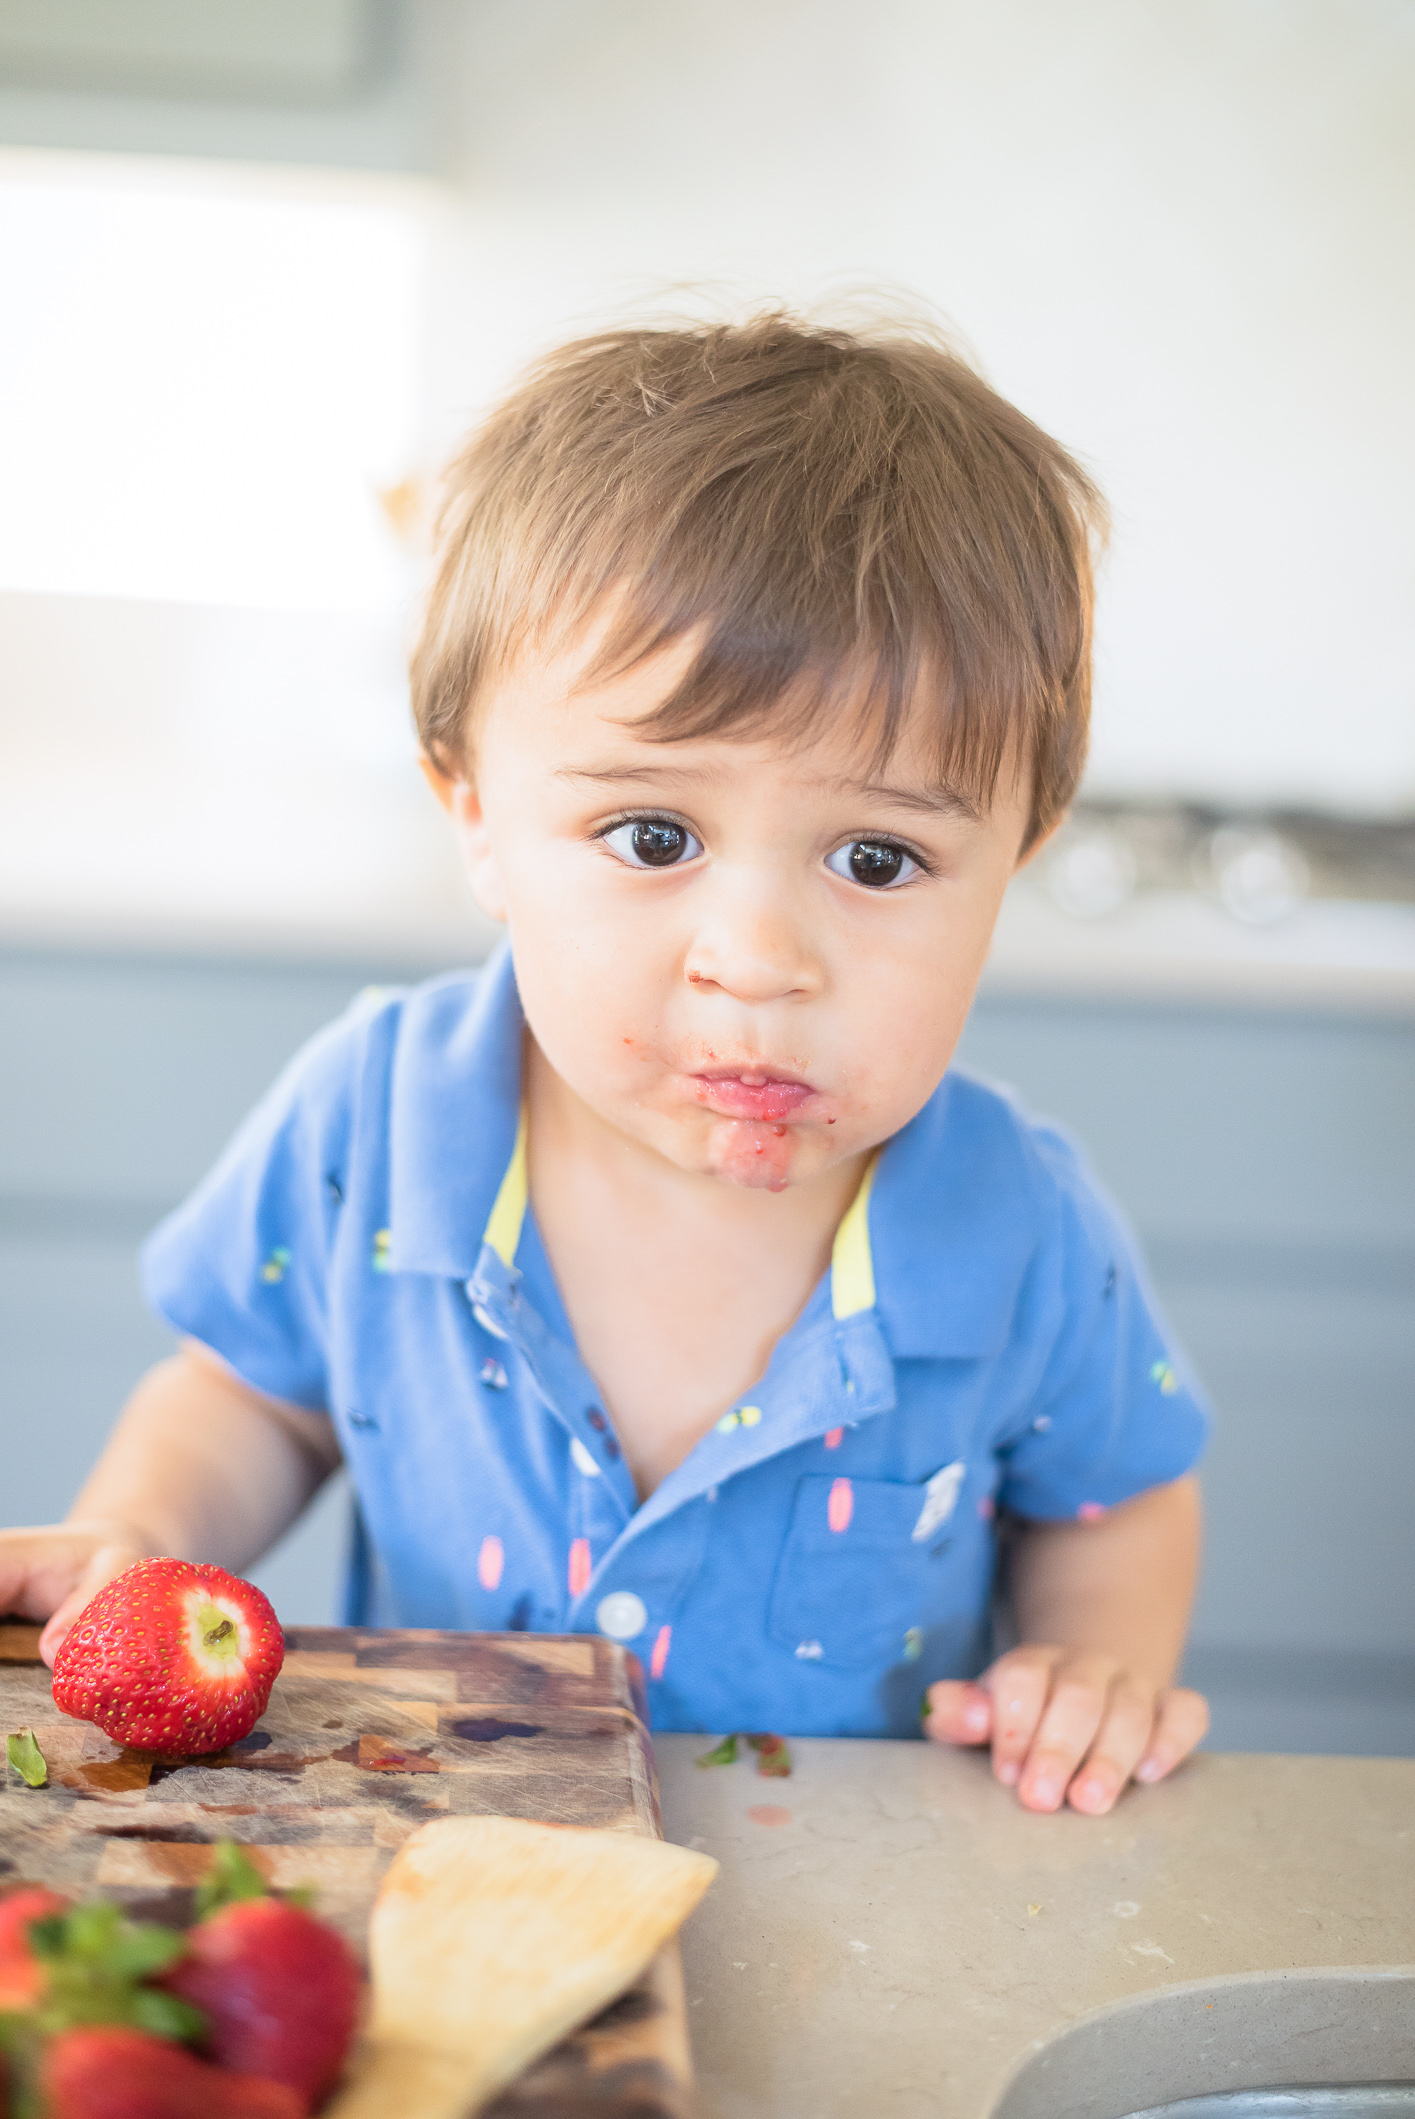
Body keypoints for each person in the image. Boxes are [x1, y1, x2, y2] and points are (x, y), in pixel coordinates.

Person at [0, 314, 1210, 1815]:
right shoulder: (374, 1117)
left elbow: (1116, 1497)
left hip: (859, 1898)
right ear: (477, 821)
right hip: (437, 1847)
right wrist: (136, 1526)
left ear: (1015, 856)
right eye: (653, 838)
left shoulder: (1021, 1221)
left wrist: (1092, 1660)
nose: (759, 956)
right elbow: (256, 1397)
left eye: (879, 856)